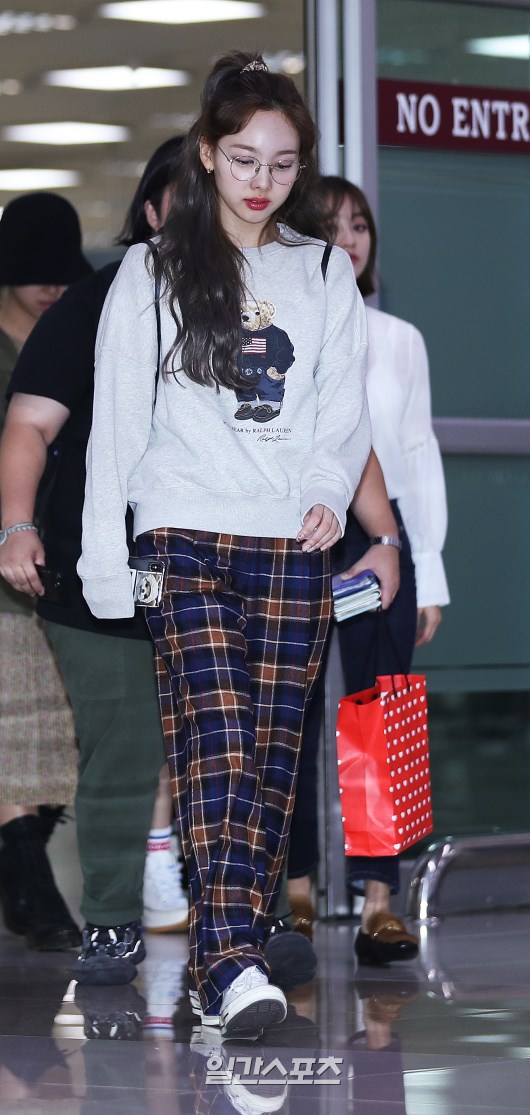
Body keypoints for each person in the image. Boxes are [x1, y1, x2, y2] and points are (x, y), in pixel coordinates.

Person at [77, 50, 372, 1039]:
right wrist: (106, 561)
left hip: (289, 542)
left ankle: (226, 954)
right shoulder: (153, 270)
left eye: (282, 165)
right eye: (243, 159)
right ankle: (231, 962)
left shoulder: (322, 270)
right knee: (216, 740)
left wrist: (327, 489)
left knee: (269, 760)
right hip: (184, 536)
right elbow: (116, 425)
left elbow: (342, 409)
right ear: (206, 153)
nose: (261, 181)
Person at [0, 141, 189, 981]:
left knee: (227, 741)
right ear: (150, 211)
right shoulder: (99, 302)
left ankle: (238, 914)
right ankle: (94, 908)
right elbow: (29, 426)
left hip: (221, 557)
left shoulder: (274, 297)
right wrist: (16, 526)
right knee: (101, 740)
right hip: (83, 561)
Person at [287, 176, 450, 964]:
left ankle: (380, 898)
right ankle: (294, 893)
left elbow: (417, 450)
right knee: (290, 713)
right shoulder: (281, 328)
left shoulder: (399, 338)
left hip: (382, 538)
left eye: (358, 225)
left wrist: (432, 569)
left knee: (381, 714)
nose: (348, 240)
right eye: (329, 226)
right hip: (299, 530)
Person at [0, 192, 92, 952]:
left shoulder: (79, 336)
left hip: (71, 556)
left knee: (63, 727)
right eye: (36, 272)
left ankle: (21, 872)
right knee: (13, 717)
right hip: (6, 554)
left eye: (62, 272)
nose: (51, 287)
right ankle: (33, 885)